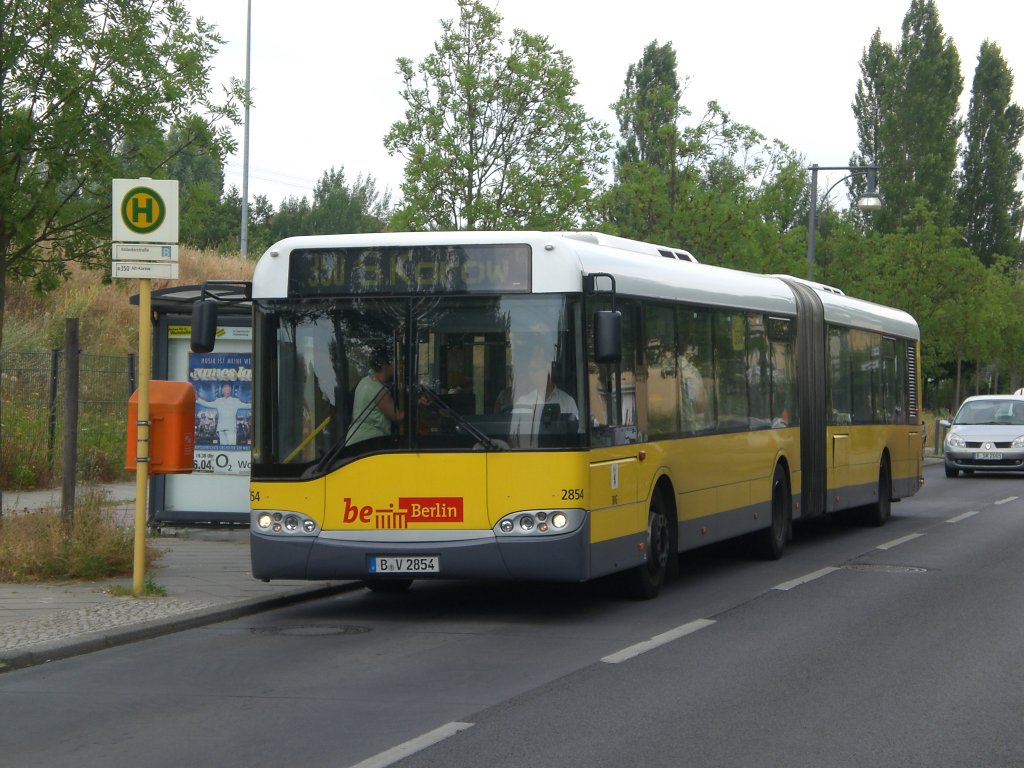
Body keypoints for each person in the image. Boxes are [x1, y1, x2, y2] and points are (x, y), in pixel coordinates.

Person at [507, 335, 578, 446]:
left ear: (548, 370)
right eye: (530, 369)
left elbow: (575, 435)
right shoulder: (522, 402)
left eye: (535, 370)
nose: (530, 374)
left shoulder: (567, 402)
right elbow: (512, 437)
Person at [345, 353, 404, 445]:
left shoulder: (364, 381)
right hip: (370, 442)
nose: (395, 367)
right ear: (385, 366)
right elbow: (398, 417)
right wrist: (416, 404)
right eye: (393, 364)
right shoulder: (380, 391)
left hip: (353, 439)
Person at [196, 381, 248, 446]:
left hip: (231, 429)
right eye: (224, 388)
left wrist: (257, 402)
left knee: (231, 448)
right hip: (221, 428)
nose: (226, 390)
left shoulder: (235, 401)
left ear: (231, 390)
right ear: (222, 390)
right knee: (223, 448)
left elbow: (246, 405)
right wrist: (198, 399)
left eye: (228, 388)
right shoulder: (218, 401)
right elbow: (207, 404)